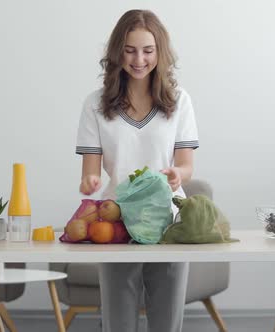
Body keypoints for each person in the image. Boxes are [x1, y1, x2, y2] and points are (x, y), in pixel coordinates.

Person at [75, 9, 199, 332]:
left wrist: (177, 174)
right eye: (130, 50)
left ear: (160, 52)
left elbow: (186, 165)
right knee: (118, 322)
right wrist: (89, 182)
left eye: (147, 50)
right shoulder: (95, 104)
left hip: (169, 221)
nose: (139, 59)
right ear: (118, 52)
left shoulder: (179, 101)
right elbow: (91, 172)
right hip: (116, 220)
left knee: (167, 322)